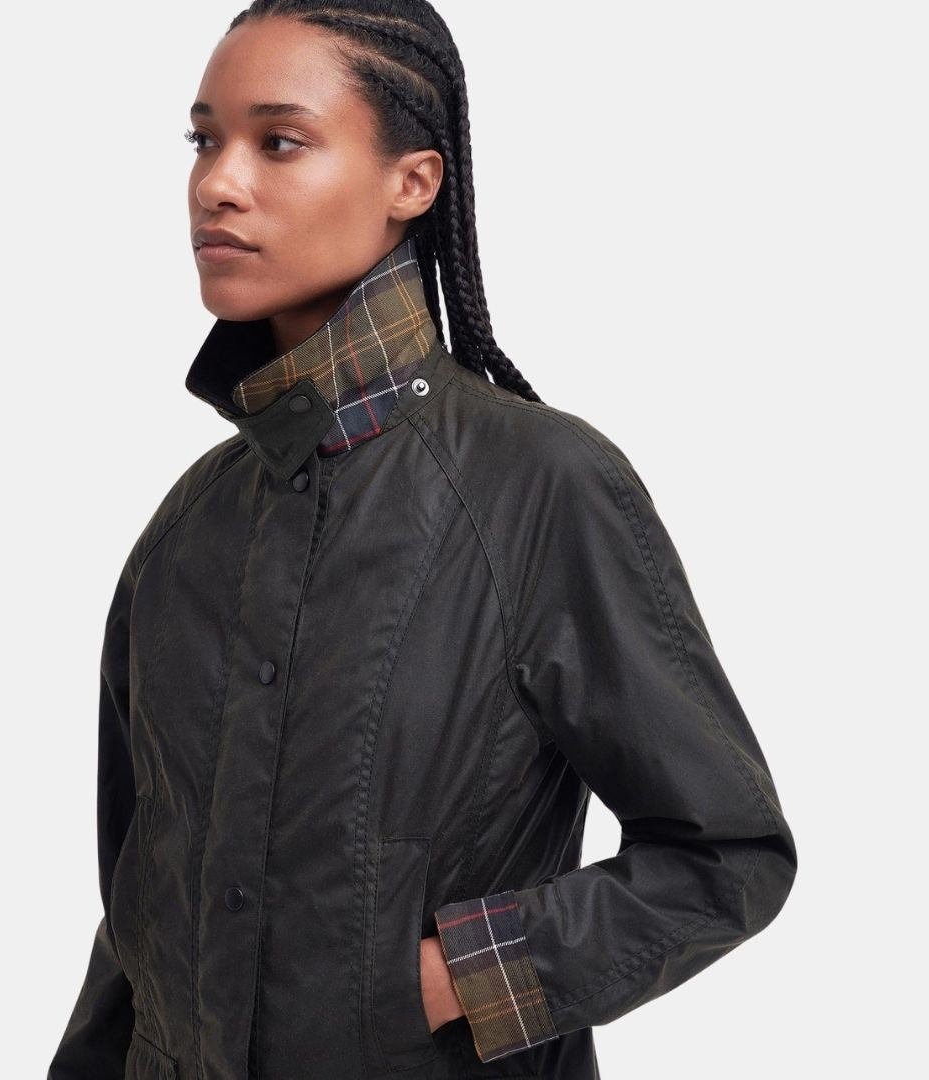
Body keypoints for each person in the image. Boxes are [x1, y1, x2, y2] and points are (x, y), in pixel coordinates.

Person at [47, 3, 797, 1078]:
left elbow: (725, 852)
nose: (218, 182)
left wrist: (449, 980)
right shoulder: (187, 530)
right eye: (204, 139)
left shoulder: (536, 488)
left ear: (414, 182)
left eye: (280, 141)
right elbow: (139, 910)